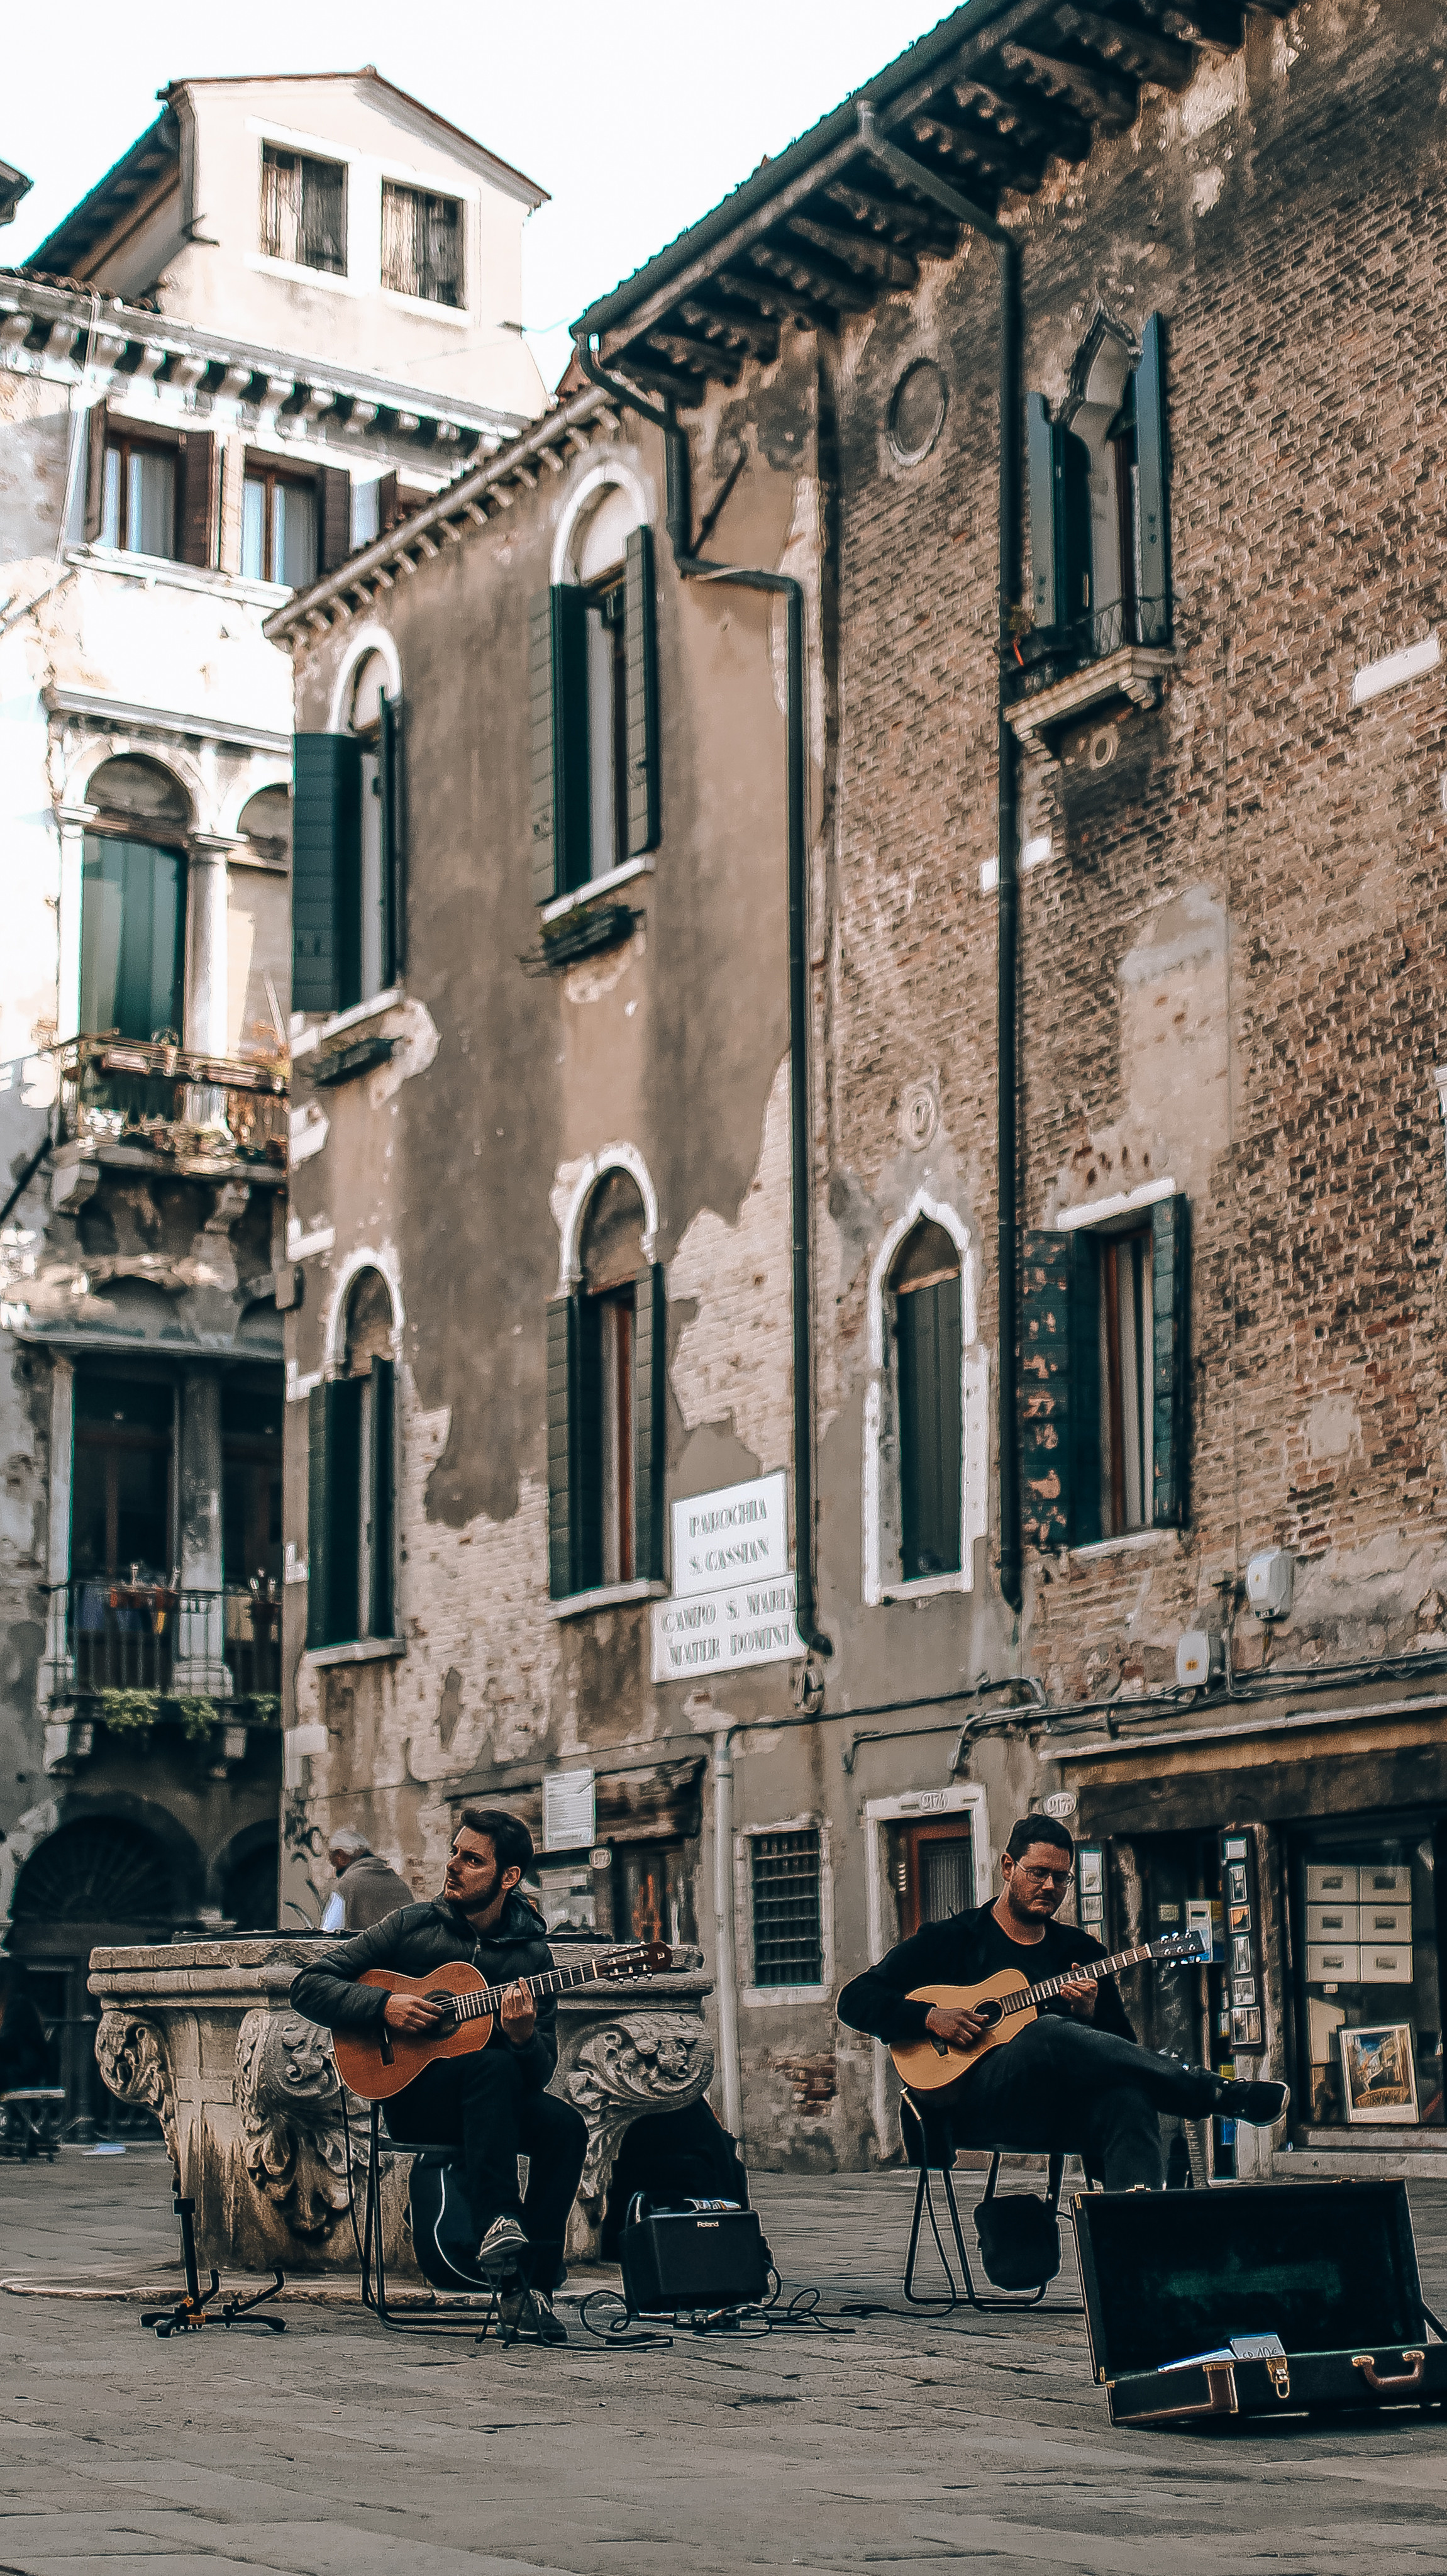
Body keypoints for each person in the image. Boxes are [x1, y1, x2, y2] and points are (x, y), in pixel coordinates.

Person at [837, 1814, 1287, 2190]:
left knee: (1128, 2099)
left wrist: (1087, 2016)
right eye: (1038, 1873)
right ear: (1008, 1867)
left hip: (1057, 2109)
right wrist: (930, 2017)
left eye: (1061, 1878)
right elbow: (855, 1999)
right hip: (973, 2104)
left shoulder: (1082, 1953)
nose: (1050, 1885)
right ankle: (1213, 2093)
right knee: (1045, 2031)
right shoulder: (952, 1940)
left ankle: (1133, 2255)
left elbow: (1121, 2051)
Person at [291, 1807, 587, 2343]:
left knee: (564, 2126)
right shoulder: (413, 1924)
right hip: (413, 2093)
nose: (452, 1866)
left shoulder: (532, 1955)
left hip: (491, 2102)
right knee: (490, 2066)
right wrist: (383, 2006)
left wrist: (522, 2038)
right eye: (454, 1852)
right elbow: (310, 1985)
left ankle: (529, 2290)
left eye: (471, 1859)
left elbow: (539, 2070)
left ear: (508, 1878)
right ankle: (497, 2220)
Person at [319, 1829, 414, 1933]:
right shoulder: (399, 1883)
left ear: (340, 1855)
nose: (335, 1871)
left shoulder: (346, 1886)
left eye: (334, 1863)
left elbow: (328, 1933)